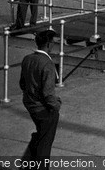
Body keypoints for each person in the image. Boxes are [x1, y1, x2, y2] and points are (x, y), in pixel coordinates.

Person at [19, 30, 61, 169]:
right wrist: (56, 105)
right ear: (48, 44)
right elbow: (48, 94)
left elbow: (22, 84)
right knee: (45, 142)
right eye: (53, 43)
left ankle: (28, 163)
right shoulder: (47, 63)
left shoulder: (27, 59)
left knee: (40, 134)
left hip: (30, 105)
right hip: (44, 109)